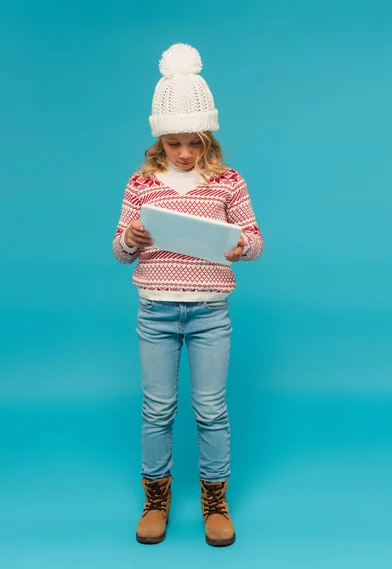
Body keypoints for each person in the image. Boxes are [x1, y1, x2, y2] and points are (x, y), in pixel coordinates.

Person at [112, 43, 264, 547]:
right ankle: (155, 497)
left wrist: (241, 245)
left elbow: (255, 241)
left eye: (192, 143)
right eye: (174, 143)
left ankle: (214, 499)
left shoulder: (227, 181)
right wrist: (131, 238)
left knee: (210, 409)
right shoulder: (141, 183)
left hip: (209, 313)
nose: (183, 153)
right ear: (160, 141)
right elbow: (118, 249)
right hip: (155, 310)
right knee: (157, 409)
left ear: (206, 139)